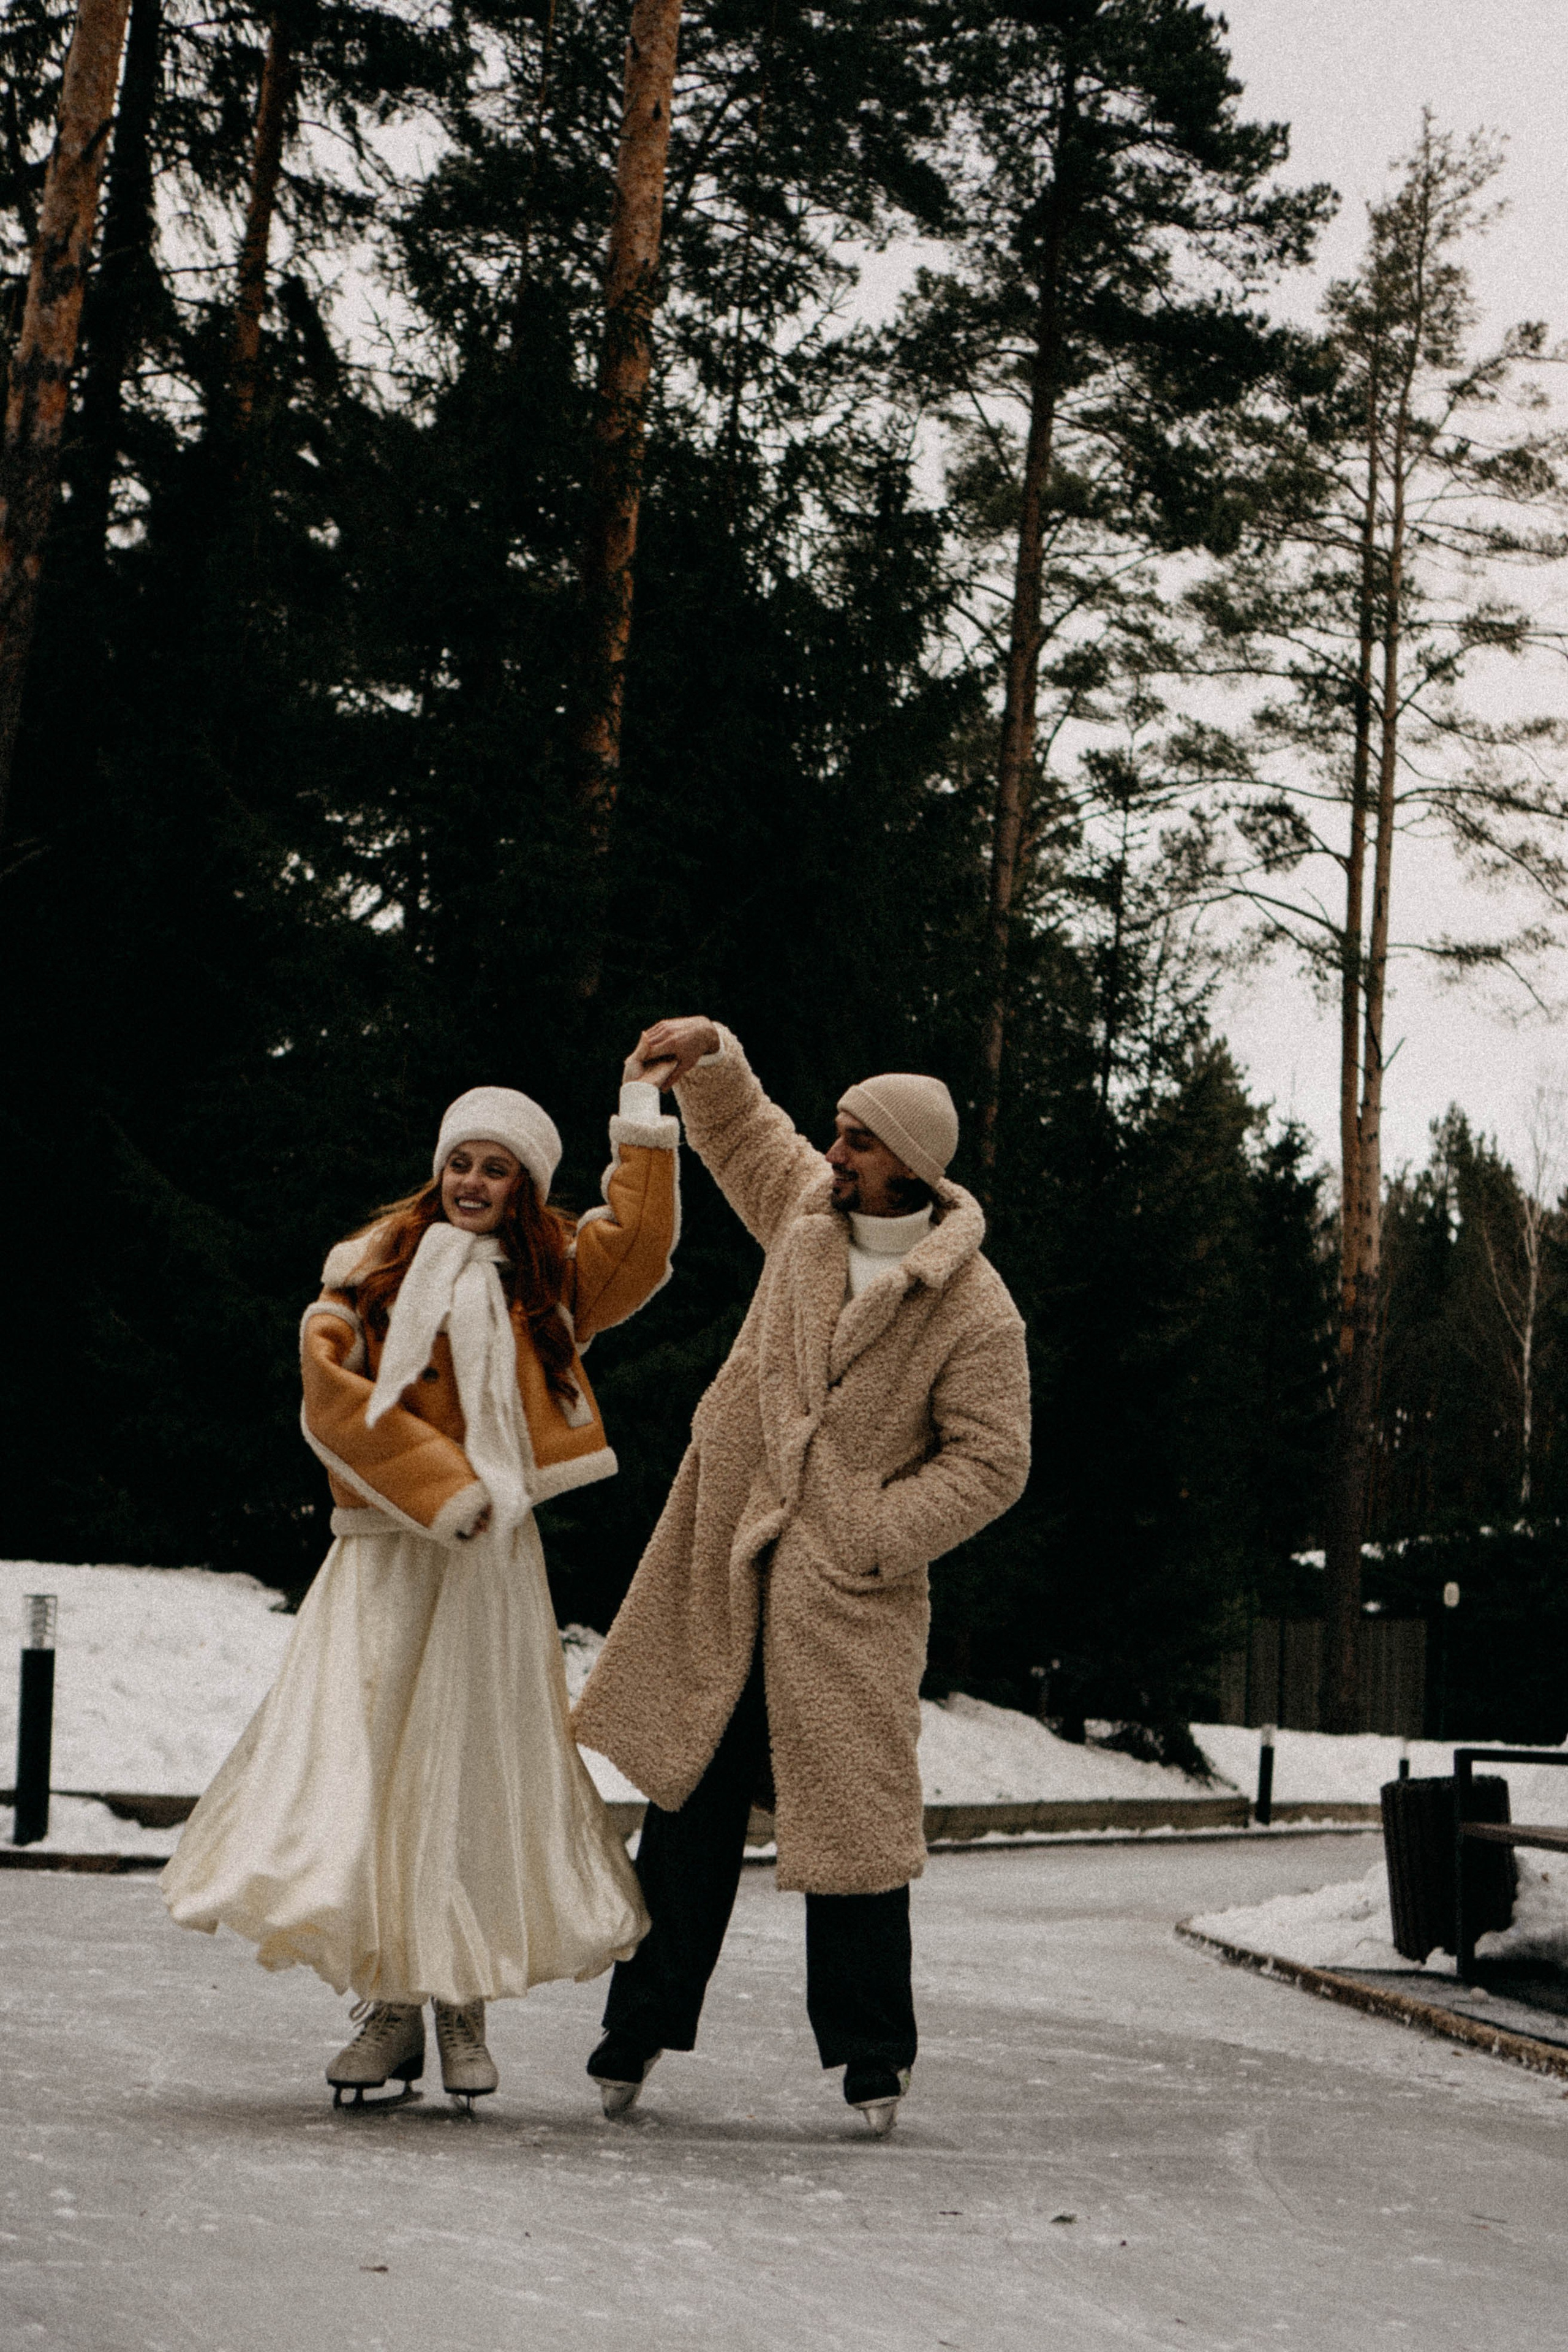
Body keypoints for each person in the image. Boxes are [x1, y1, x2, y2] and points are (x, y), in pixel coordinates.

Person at [162, 1060, 681, 2108]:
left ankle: (458, 1999)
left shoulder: (549, 1287)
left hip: (490, 1567)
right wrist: (440, 1488)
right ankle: (394, 2002)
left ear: (524, 1190)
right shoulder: (367, 1272)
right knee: (373, 1765)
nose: (473, 1182)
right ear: (436, 1169)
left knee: (471, 1769)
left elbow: (642, 1248)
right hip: (389, 1553)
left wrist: (641, 1114)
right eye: (460, 1162)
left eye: (497, 1169)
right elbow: (330, 1394)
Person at [572, 1017, 1031, 2137]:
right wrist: (713, 1057)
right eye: (838, 1132)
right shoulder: (806, 1224)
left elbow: (993, 1461)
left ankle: (875, 2060)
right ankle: (633, 2035)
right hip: (729, 1566)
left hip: (846, 1603)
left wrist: (869, 1532)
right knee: (687, 1810)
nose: (834, 1154)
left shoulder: (974, 1308)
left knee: (856, 1831)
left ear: (913, 1166)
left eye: (859, 1140)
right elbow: (746, 1138)